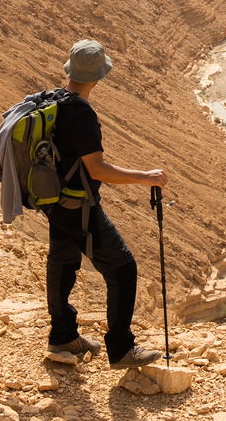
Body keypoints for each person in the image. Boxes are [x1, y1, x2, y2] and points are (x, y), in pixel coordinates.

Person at [45, 39, 168, 368]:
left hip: (53, 201)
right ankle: (121, 349)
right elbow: (96, 168)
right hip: (78, 205)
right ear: (99, 75)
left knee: (63, 264)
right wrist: (146, 177)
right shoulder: (81, 113)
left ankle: (62, 339)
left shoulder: (53, 101)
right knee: (122, 267)